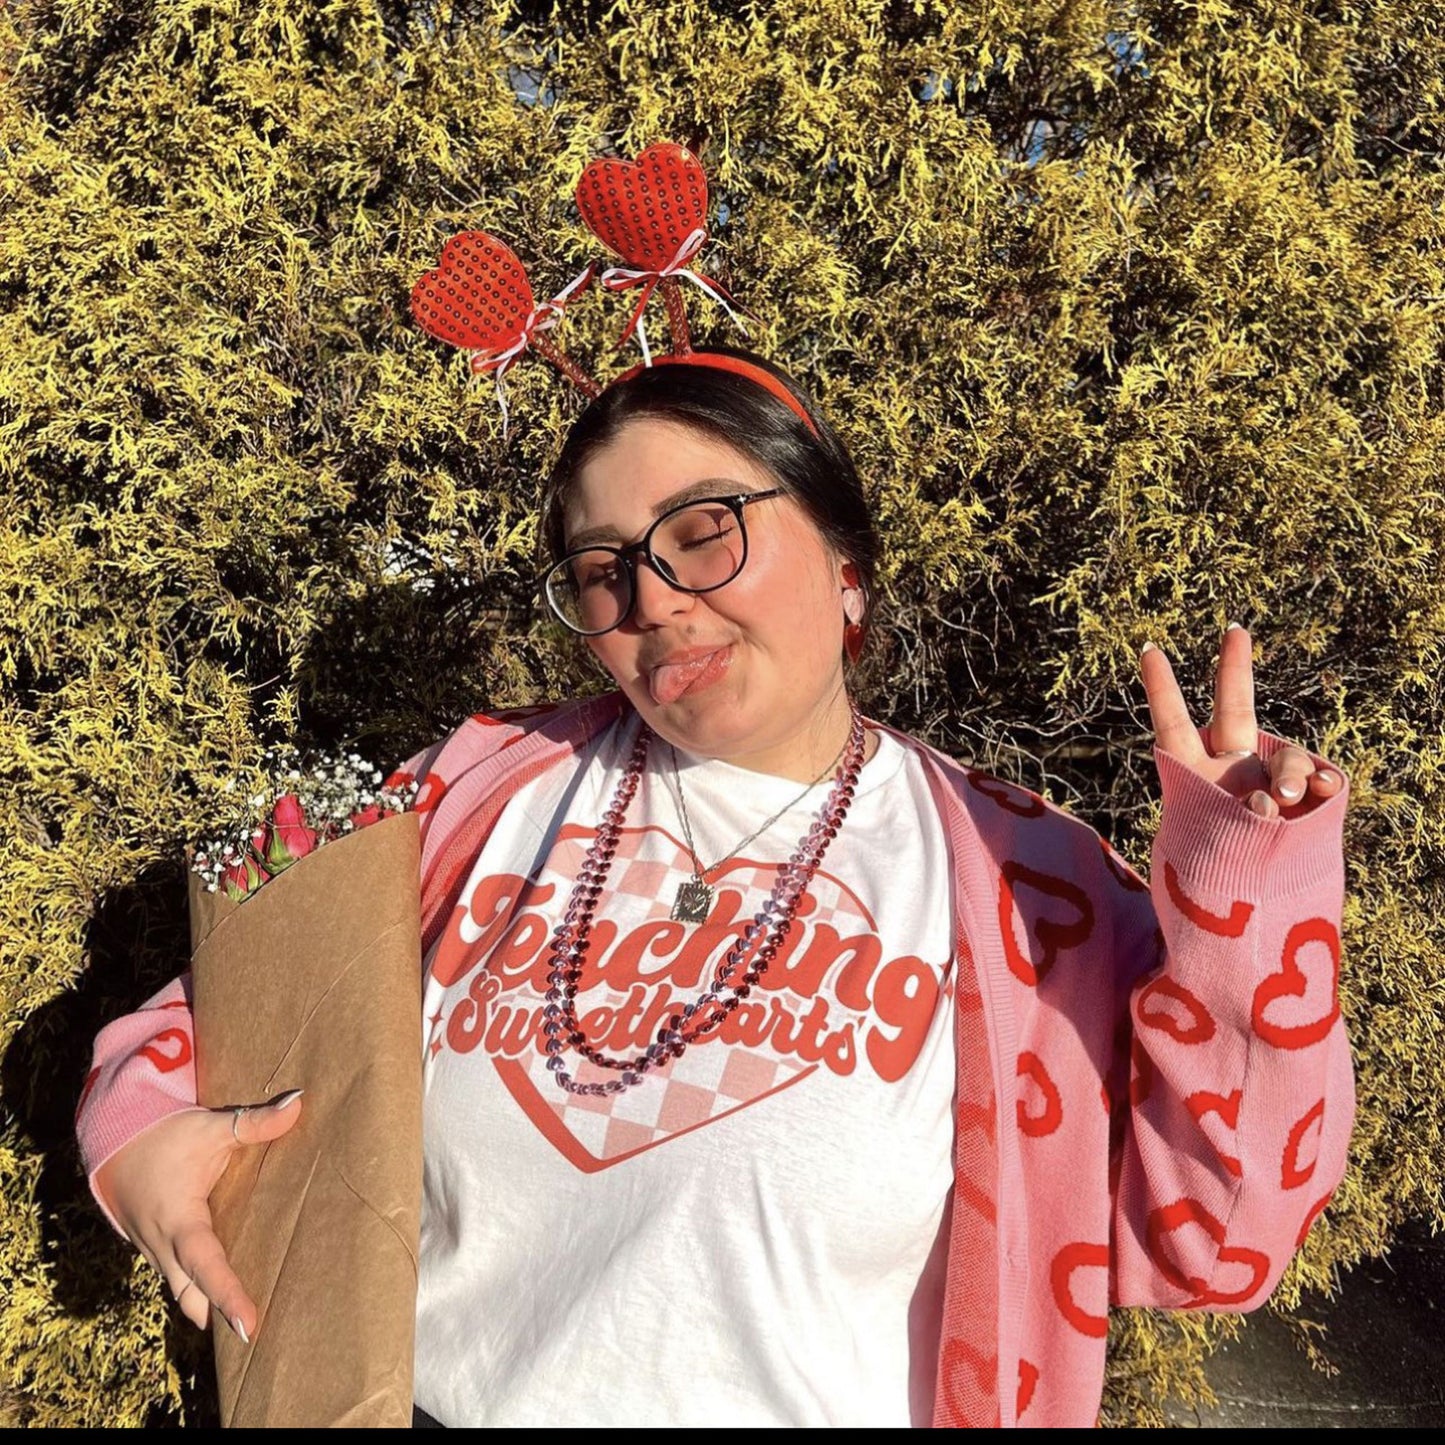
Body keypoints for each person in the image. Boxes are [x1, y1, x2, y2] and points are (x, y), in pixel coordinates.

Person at [76, 347, 1353, 1428]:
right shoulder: (481, 792)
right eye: (600, 569)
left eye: (703, 532)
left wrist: (1239, 889)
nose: (653, 602)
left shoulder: (1028, 888)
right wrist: (133, 1137)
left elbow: (1211, 1239)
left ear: (845, 562)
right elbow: (225, 1016)